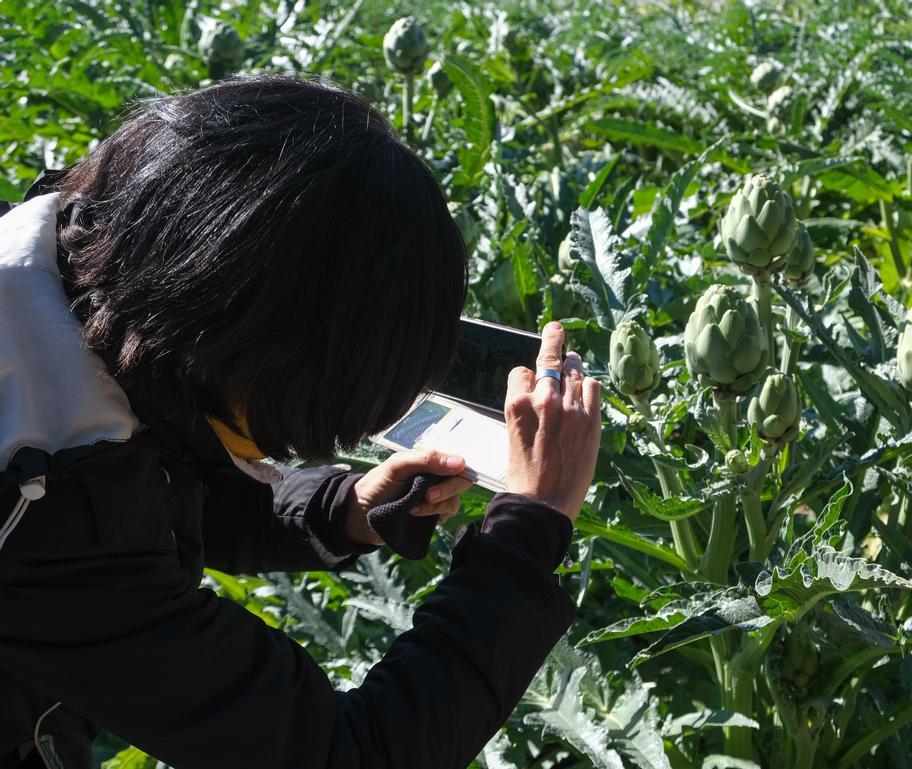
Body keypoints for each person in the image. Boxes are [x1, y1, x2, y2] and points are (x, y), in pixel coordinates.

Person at [0, 75, 602, 769]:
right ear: (254, 356)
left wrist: (339, 510)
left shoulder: (71, 261)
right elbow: (349, 754)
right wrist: (530, 525)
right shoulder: (49, 523)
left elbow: (146, 463)